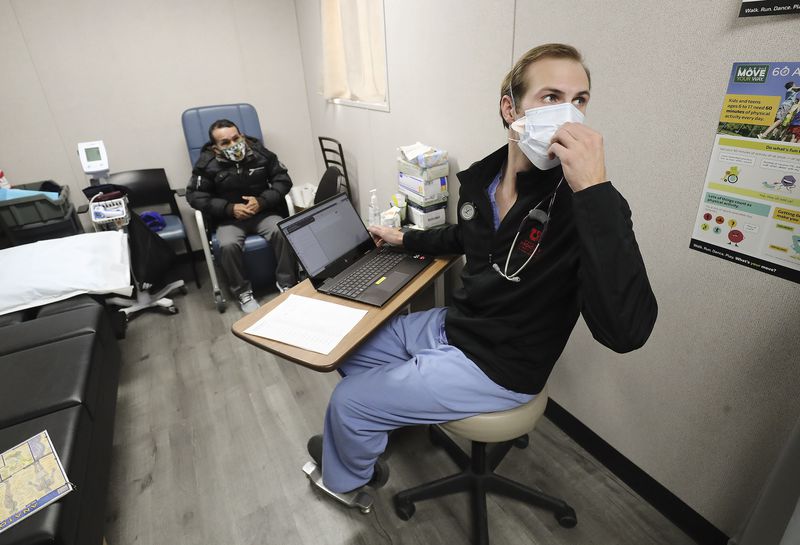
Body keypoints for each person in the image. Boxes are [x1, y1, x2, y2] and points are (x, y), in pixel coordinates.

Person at [308, 43, 658, 495]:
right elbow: (466, 236)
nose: (570, 114)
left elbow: (626, 331)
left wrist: (594, 188)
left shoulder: (584, 205)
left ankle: (349, 479)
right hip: (458, 326)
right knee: (351, 352)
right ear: (510, 109)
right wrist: (405, 238)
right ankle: (381, 420)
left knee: (349, 402)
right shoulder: (484, 180)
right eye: (552, 97)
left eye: (581, 100)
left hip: (500, 363)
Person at [186, 119, 298, 312]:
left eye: (236, 138)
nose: (233, 145)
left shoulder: (262, 154)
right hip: (230, 219)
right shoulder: (206, 164)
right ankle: (243, 293)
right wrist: (229, 208)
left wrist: (262, 201)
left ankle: (287, 283)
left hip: (263, 213)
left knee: (283, 231)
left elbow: (282, 180)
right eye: (225, 143)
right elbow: (195, 195)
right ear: (216, 148)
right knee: (227, 245)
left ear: (242, 137)